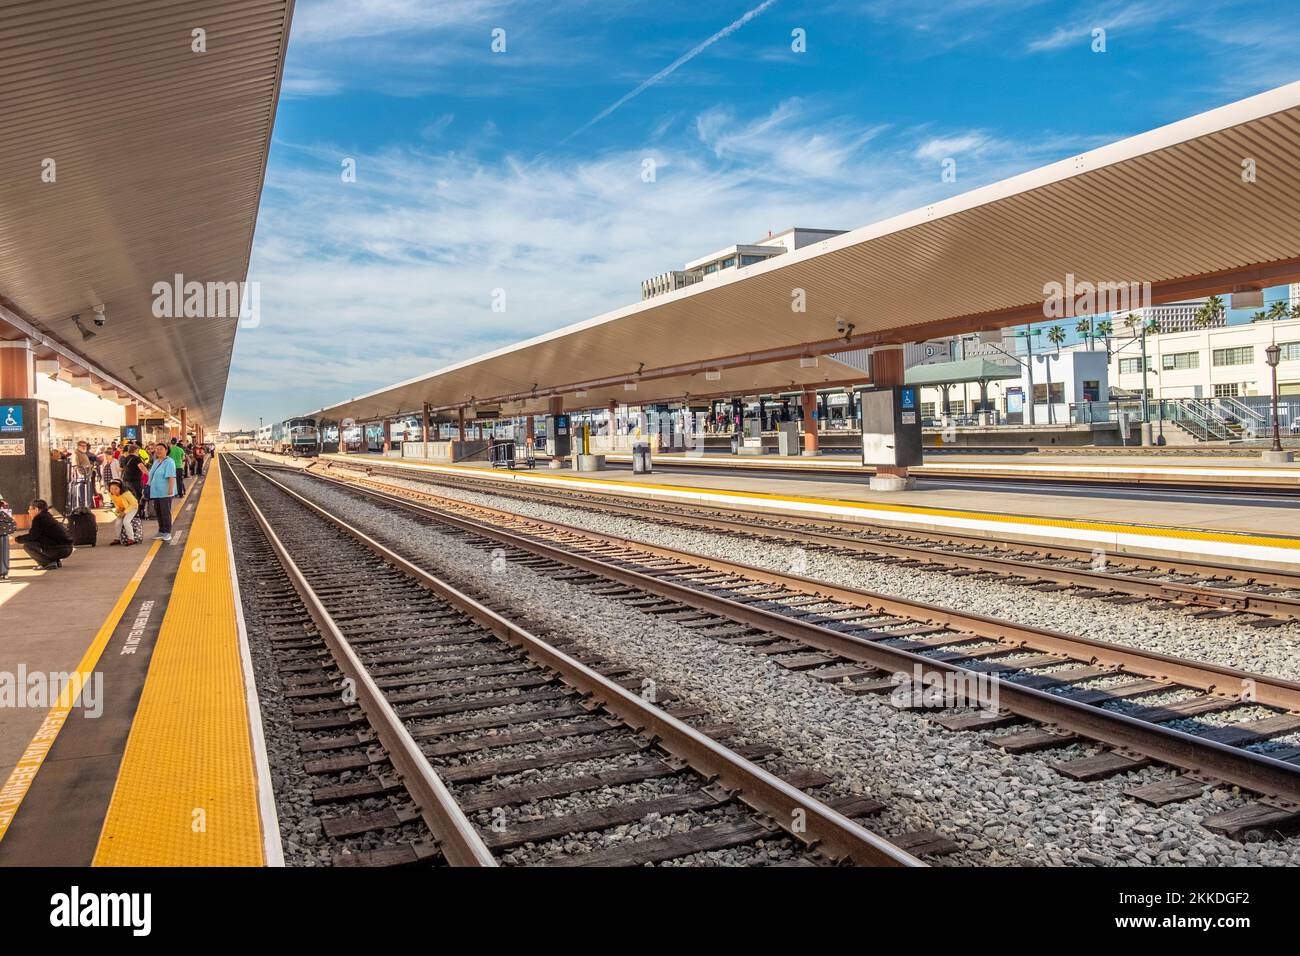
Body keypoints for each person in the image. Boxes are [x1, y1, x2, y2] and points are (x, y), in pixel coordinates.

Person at [15, 499, 73, 570]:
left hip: (60, 549)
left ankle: (47, 563)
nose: (28, 511)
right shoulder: (47, 516)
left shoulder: (39, 518)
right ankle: (55, 561)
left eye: (30, 509)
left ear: (36, 509)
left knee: (28, 546)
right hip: (67, 548)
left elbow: (32, 536)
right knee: (41, 542)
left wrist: (16, 539)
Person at [149, 443, 177, 542]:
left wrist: (170, 489)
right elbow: (151, 474)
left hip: (165, 492)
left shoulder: (169, 462)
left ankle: (167, 533)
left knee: (165, 512)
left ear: (166, 450)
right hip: (156, 492)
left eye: (161, 449)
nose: (158, 451)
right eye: (156, 449)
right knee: (159, 512)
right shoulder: (156, 461)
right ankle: (161, 531)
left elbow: (171, 476)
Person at [107, 479, 139, 546]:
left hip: (132, 508)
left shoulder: (126, 493)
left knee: (126, 521)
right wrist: (118, 509)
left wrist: (124, 512)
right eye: (111, 488)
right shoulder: (110, 494)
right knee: (117, 523)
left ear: (120, 488)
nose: (113, 490)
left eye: (116, 488)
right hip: (123, 509)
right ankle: (117, 539)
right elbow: (115, 502)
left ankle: (131, 539)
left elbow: (134, 503)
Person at [0, 497, 15, 579]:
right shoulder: (4, 509)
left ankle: (4, 571)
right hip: (4, 534)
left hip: (3, 534)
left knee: (3, 551)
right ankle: (4, 571)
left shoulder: (4, 509)